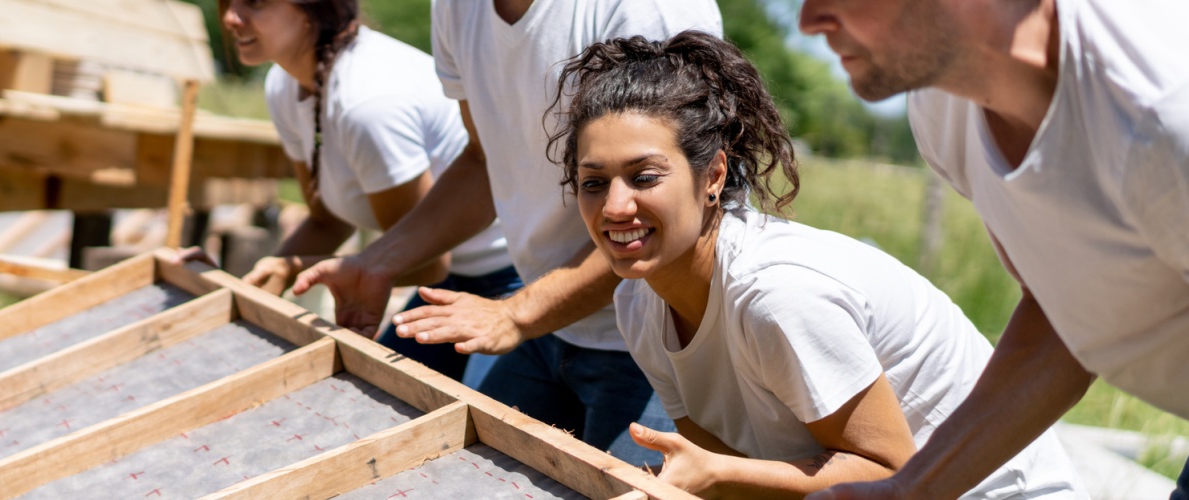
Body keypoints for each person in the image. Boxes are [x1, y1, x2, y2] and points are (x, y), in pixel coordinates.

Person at [791, 0, 1189, 498]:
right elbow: (1064, 313)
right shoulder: (944, 108)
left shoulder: (1184, 109)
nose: (809, 20)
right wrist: (912, 490)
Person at [552, 31, 1081, 498]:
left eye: (644, 177)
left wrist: (716, 476)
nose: (615, 207)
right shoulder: (638, 304)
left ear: (713, 176)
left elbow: (888, 472)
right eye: (594, 183)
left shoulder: (776, 294)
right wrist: (710, 475)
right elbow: (719, 459)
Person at [290, 0, 721, 464]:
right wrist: (375, 264)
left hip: (661, 338)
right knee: (458, 474)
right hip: (548, 321)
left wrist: (516, 315)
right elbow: (482, 159)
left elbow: (656, 216)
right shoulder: (455, 8)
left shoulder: (644, 10)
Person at [218, 0, 518, 383]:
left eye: (255, 3)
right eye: (226, 1)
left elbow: (427, 261)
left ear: (313, 9)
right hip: (447, 282)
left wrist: (298, 269)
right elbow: (329, 220)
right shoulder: (283, 84)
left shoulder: (369, 103)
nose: (230, 17)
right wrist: (251, 289)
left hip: (510, 278)